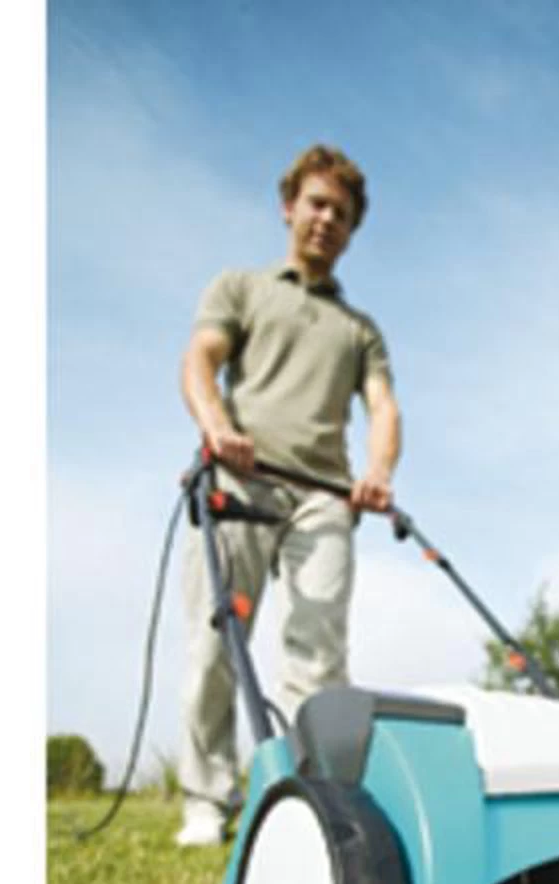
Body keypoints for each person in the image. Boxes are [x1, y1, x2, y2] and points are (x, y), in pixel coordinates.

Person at [175, 144, 400, 846]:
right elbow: (201, 359)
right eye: (317, 204)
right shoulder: (242, 287)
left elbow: (383, 407)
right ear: (289, 207)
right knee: (217, 642)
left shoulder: (359, 330)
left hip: (323, 499)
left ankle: (314, 794)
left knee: (319, 650)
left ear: (353, 229)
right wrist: (217, 427)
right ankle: (207, 801)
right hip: (240, 481)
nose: (327, 219)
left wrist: (378, 472)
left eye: (342, 213)